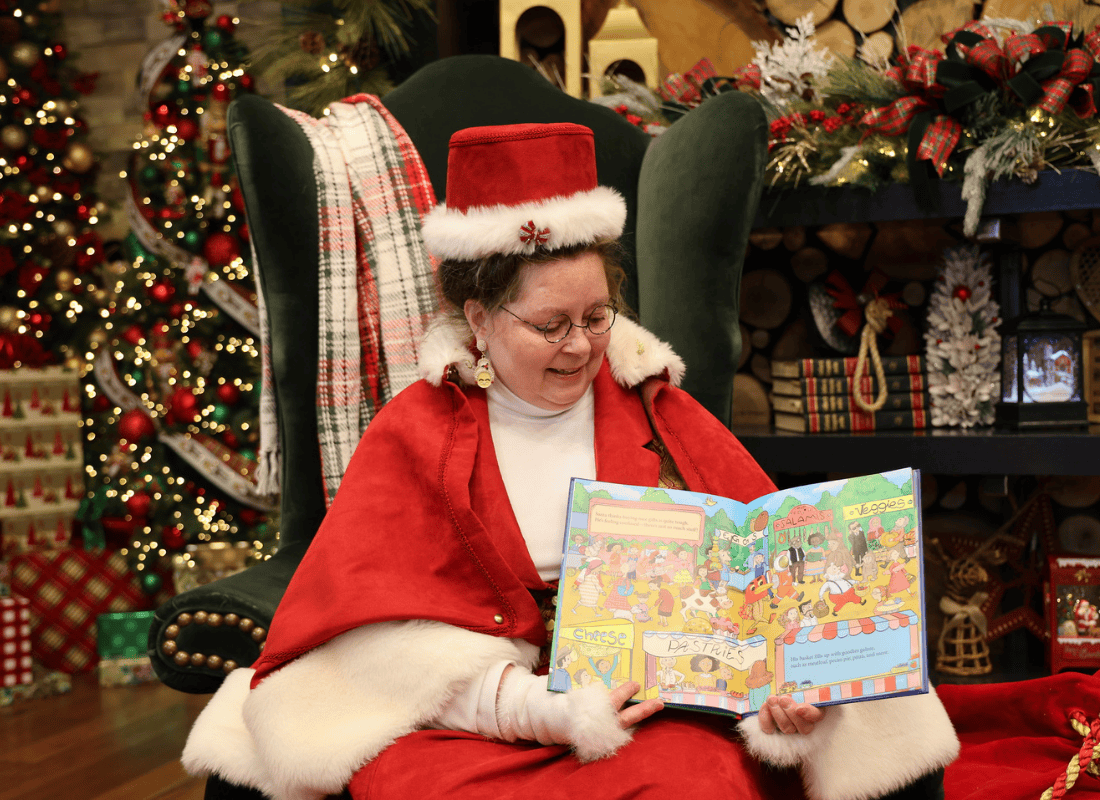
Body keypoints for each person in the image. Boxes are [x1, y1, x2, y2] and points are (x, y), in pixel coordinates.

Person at [183, 123, 957, 800]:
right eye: (551, 325)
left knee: (702, 783)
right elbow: (371, 660)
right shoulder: (413, 433)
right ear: (479, 320)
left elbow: (762, 607)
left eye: (596, 316)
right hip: (473, 725)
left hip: (653, 719)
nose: (583, 346)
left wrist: (782, 701)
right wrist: (536, 709)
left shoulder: (658, 408)